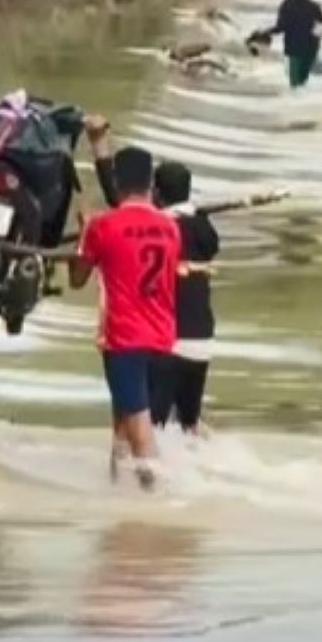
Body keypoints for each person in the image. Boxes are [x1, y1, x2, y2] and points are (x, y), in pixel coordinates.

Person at [84, 118, 220, 435]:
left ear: (156, 193)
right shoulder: (202, 228)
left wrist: (99, 147)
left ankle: (147, 478)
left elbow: (118, 198)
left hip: (168, 340)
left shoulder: (159, 226)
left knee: (148, 427)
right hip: (202, 340)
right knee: (188, 425)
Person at [69, 146, 182, 490]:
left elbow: (77, 278)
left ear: (117, 182)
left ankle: (157, 504)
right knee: (122, 420)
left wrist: (84, 232)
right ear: (151, 184)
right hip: (163, 338)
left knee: (138, 428)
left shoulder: (104, 226)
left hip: (124, 339)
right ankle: (118, 489)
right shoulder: (170, 227)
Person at [248, 0, 322, 89]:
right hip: (310, 47)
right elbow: (321, 19)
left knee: (295, 85)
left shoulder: (286, 5)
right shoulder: (312, 5)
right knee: (304, 82)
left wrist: (266, 32)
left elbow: (281, 27)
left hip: (294, 48)